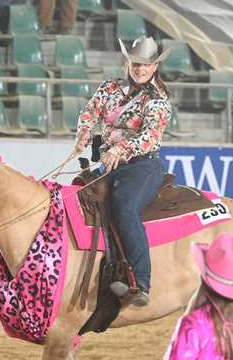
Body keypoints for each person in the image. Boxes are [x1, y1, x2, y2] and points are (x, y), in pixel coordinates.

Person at [73, 36, 173, 307]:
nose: (140, 69)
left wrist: (119, 149)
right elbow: (90, 111)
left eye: (146, 65)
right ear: (129, 63)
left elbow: (149, 136)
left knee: (125, 207)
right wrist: (84, 132)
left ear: (155, 67)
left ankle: (141, 281)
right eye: (136, 64)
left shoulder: (158, 101)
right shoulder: (110, 88)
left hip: (142, 166)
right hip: (108, 165)